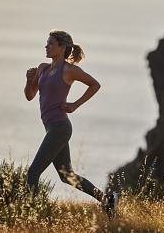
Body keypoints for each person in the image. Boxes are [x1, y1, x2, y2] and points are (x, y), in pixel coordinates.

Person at [24, 29, 118, 218]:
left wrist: (75, 105)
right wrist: (28, 80)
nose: (46, 46)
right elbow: (29, 96)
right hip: (50, 127)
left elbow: (95, 85)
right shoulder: (42, 68)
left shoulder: (69, 70)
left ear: (62, 47)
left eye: (51, 43)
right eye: (47, 43)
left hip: (60, 127)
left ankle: (23, 215)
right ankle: (107, 201)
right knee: (67, 176)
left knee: (33, 171)